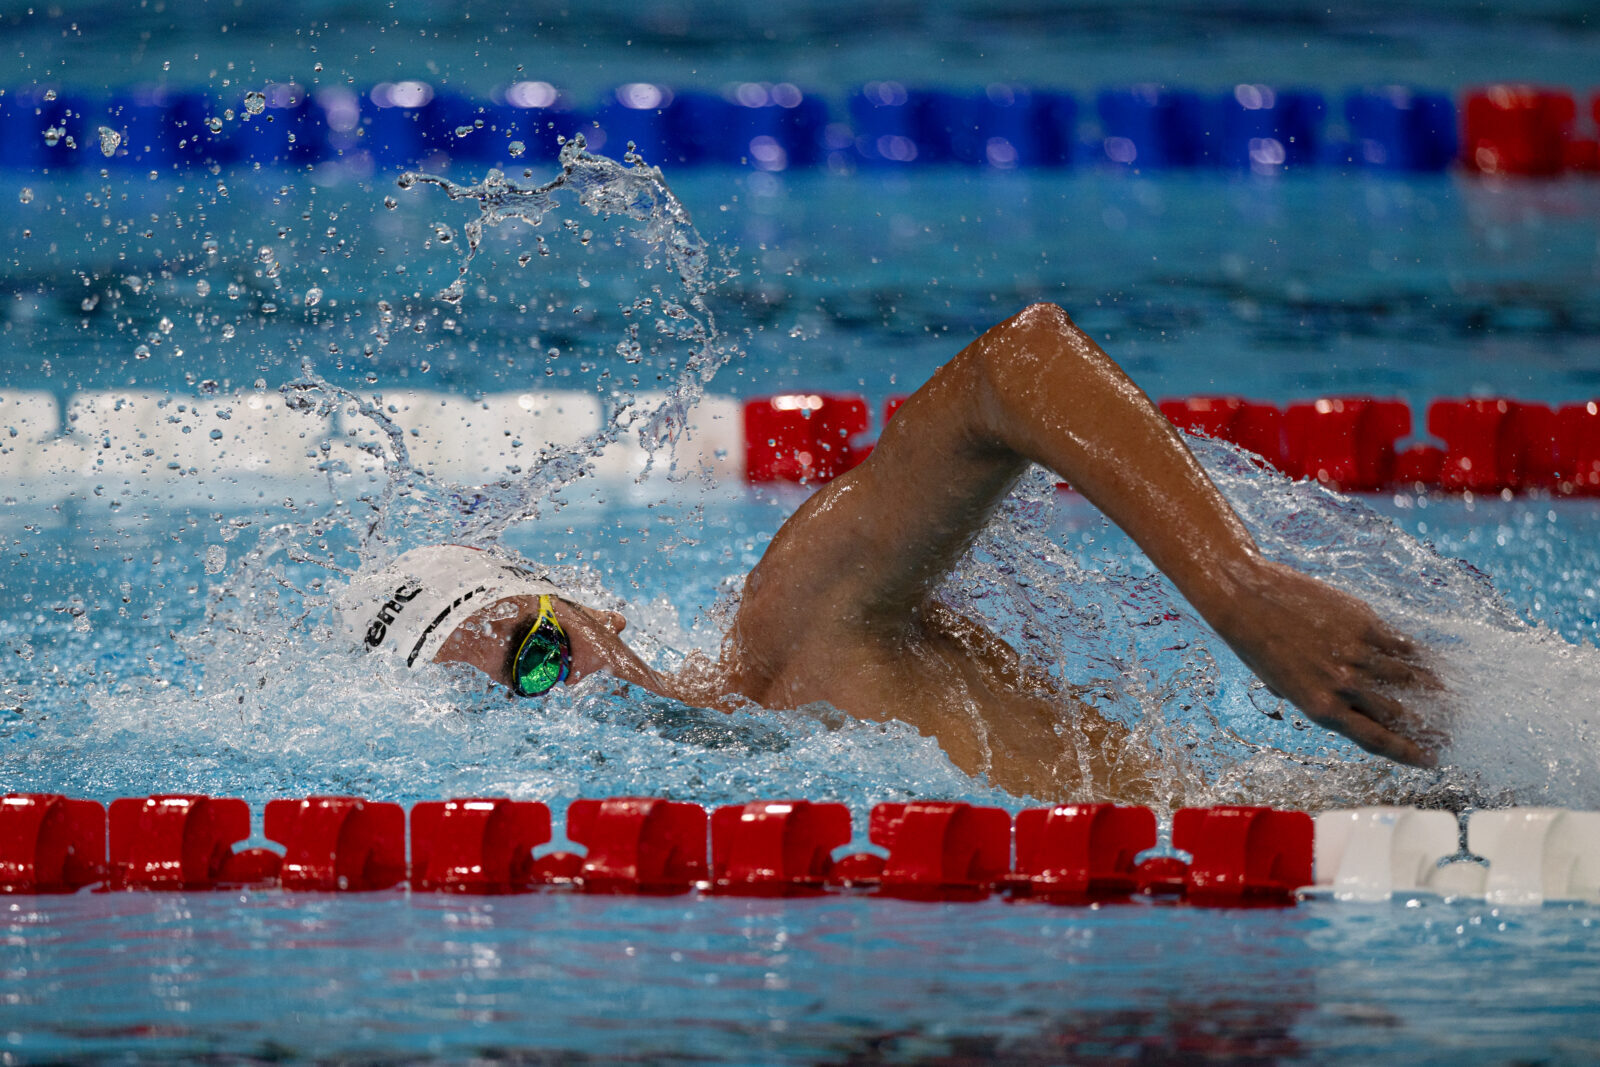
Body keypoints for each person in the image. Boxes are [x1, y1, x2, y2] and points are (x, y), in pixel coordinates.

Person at [337, 303, 1441, 802]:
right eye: (505, 702)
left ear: (591, 609)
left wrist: (1237, 588)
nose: (561, 696)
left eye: (538, 648)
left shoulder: (790, 637)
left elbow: (1020, 364)